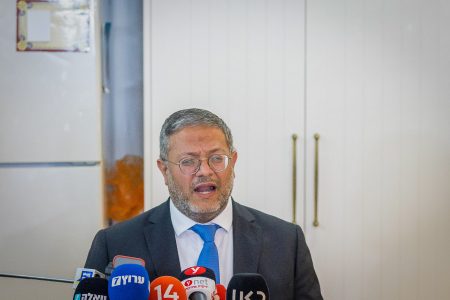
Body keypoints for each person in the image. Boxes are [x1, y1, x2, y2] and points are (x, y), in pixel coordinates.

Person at [84, 108, 323, 299]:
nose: (205, 171)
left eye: (217, 158)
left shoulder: (287, 241)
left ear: (233, 162)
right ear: (164, 170)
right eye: (188, 161)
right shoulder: (113, 244)